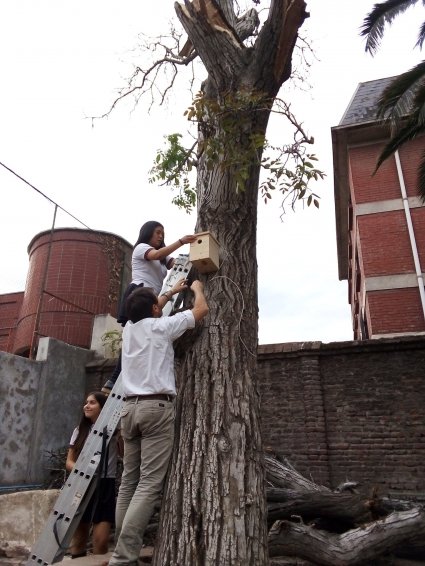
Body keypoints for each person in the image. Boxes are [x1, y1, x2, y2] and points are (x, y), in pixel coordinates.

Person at [107, 278, 208, 566]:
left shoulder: (129, 330)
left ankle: (120, 551)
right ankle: (124, 558)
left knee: (128, 481)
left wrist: (169, 292)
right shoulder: (162, 327)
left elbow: (152, 308)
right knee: (149, 483)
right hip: (155, 408)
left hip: (128, 410)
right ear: (153, 309)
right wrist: (196, 289)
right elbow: (200, 311)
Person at [101, 220, 196, 394]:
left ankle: (117, 379)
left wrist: (193, 258)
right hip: (139, 292)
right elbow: (156, 255)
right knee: (134, 336)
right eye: (158, 232)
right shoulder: (141, 248)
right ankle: (114, 379)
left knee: (142, 338)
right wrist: (181, 241)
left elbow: (173, 262)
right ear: (148, 232)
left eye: (163, 233)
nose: (161, 236)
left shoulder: (162, 257)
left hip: (152, 296)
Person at [66, 392, 119, 558]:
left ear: (103, 408)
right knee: (79, 539)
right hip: (81, 484)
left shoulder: (114, 430)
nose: (86, 406)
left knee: (101, 541)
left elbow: (124, 455)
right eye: (86, 402)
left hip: (105, 485)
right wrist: (83, 471)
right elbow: (69, 462)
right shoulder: (79, 430)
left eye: (92, 403)